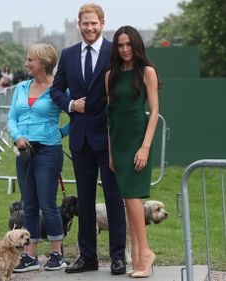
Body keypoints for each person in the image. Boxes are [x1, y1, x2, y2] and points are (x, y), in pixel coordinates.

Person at [50, 3, 127, 275]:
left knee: (114, 198)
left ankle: (119, 257)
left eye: (94, 23)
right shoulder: (68, 54)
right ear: (78, 25)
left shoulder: (114, 52)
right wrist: (71, 105)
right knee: (84, 201)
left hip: (108, 139)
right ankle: (88, 257)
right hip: (81, 139)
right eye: (85, 23)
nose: (90, 28)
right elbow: (56, 90)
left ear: (102, 24)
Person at [7, 43, 70, 273]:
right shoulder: (22, 87)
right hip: (24, 153)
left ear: (43, 63)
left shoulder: (59, 89)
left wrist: (60, 133)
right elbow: (12, 117)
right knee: (29, 205)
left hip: (48, 152)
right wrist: (18, 136)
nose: (26, 63)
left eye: (30, 60)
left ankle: (57, 254)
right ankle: (30, 256)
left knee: (48, 204)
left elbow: (76, 114)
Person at [106, 26, 159, 278]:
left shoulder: (147, 71)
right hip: (117, 142)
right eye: (120, 45)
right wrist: (110, 152)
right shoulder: (111, 75)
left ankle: (145, 253)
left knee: (133, 197)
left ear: (136, 45)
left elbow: (154, 113)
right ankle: (138, 257)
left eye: (128, 44)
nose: (125, 49)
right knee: (128, 201)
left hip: (138, 140)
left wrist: (145, 147)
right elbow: (109, 117)